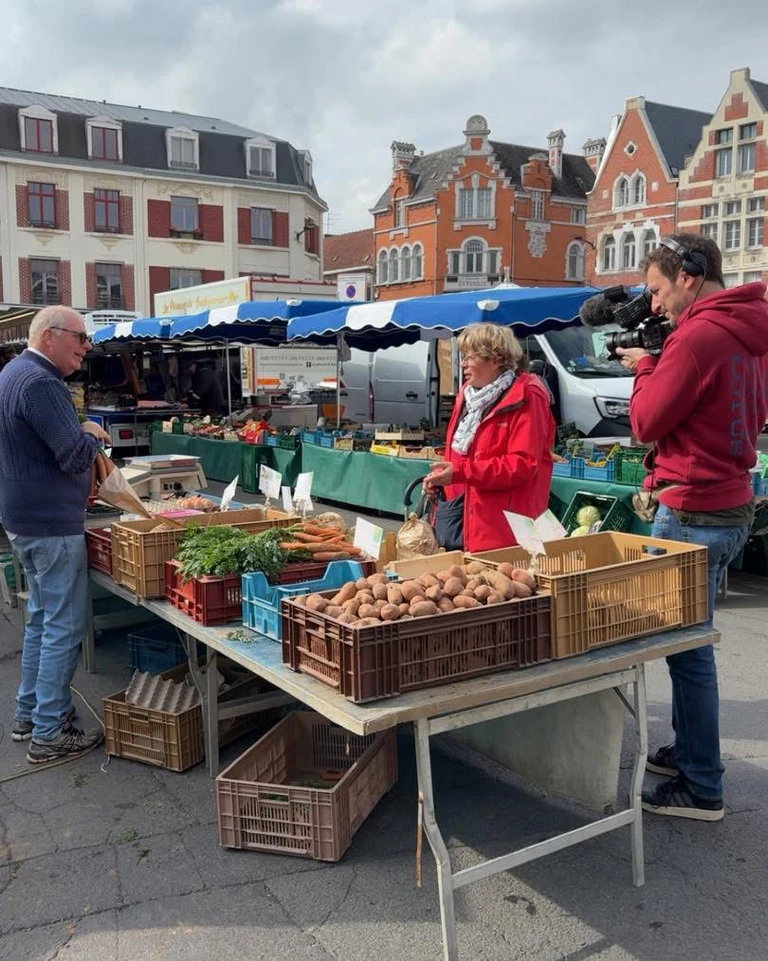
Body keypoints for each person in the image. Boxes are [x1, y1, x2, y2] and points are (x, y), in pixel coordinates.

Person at [616, 234, 768, 822]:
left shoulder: (699, 336)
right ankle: (690, 751)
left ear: (690, 275)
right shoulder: (749, 330)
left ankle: (703, 784)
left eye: (656, 290)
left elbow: (646, 421)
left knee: (688, 650)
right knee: (689, 645)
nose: (652, 305)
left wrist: (649, 365)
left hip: (696, 507)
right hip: (730, 501)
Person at [0, 305, 111, 764]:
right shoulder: (43, 383)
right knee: (63, 626)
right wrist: (91, 432)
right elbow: (72, 456)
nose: (87, 347)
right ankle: (48, 733)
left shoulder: (11, 373)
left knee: (43, 621)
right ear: (49, 336)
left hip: (24, 519)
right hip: (49, 525)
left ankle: (29, 715)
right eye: (80, 338)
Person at [424, 323, 555, 553]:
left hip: (505, 529)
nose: (463, 364)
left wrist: (460, 472)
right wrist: (441, 480)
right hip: (464, 519)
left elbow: (522, 465)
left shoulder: (528, 396)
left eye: (470, 357)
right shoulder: (467, 396)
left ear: (495, 359)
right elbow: (457, 456)